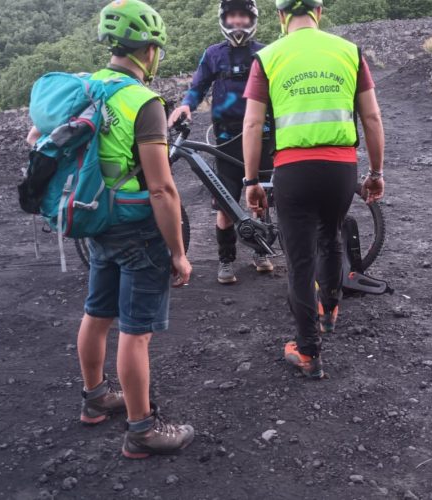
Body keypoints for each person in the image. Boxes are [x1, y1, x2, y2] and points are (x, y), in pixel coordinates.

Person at [28, 0, 194, 458]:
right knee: (136, 332)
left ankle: (96, 397)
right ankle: (142, 431)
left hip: (93, 216)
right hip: (136, 226)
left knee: (98, 313)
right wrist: (178, 251)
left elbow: (34, 137)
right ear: (149, 50)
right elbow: (161, 188)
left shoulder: (85, 87)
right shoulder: (144, 102)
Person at [241, 0, 386, 378]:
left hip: (292, 170)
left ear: (281, 16)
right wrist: (377, 171)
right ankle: (330, 310)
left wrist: (252, 180)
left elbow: (253, 125)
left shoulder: (267, 57)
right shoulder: (349, 51)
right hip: (341, 168)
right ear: (318, 13)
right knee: (332, 236)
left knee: (300, 261)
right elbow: (370, 116)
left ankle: (308, 352)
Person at [167, 0, 276, 285]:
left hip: (262, 137)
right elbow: (198, 87)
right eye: (232, 16)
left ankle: (260, 253)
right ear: (224, 19)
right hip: (225, 141)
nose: (238, 22)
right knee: (226, 204)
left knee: (259, 200)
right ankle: (226, 260)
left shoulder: (265, 53)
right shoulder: (213, 54)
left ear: (251, 19)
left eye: (243, 16)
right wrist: (186, 106)